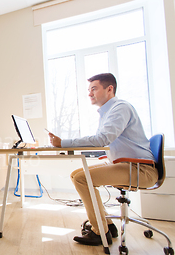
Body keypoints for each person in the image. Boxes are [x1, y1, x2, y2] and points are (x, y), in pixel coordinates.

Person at [48, 73, 158, 246]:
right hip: (129, 165)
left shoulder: (120, 108)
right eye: (89, 90)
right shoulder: (109, 112)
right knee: (76, 174)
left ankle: (99, 232)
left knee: (81, 178)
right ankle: (106, 224)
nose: (90, 93)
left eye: (94, 88)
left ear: (109, 89)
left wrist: (63, 143)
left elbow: (102, 139)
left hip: (140, 170)